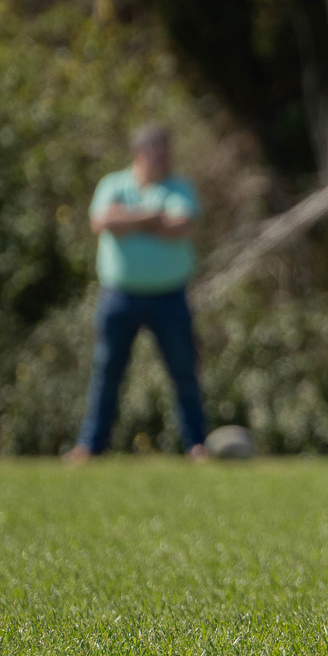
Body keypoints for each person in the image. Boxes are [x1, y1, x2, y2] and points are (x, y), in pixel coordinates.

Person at [65, 124, 208, 465]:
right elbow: (103, 222)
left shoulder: (180, 187)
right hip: (119, 296)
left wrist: (130, 220)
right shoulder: (113, 185)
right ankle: (91, 445)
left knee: (184, 372)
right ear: (140, 153)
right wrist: (153, 217)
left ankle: (197, 445)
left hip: (169, 297)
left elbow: (181, 227)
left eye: (167, 150)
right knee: (107, 372)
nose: (166, 157)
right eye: (159, 150)